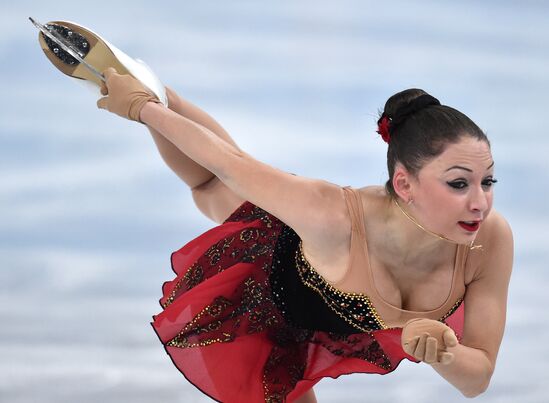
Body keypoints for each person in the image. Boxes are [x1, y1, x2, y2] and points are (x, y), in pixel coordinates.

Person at [96, 68, 513, 402]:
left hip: (325, 319)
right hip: (268, 287)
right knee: (210, 188)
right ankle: (157, 92)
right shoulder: (329, 216)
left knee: (217, 183)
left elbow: (476, 379)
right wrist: (142, 109)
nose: (480, 202)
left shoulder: (487, 242)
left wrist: (445, 353)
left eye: (488, 181)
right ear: (404, 185)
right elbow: (225, 161)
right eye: (459, 184)